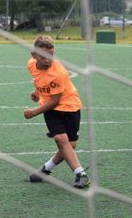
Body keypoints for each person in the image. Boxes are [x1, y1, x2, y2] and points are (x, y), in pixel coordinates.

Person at [24, 35, 90, 189]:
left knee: (69, 146)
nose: (48, 60)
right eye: (44, 56)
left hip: (69, 106)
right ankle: (81, 174)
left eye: (51, 55)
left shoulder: (58, 73)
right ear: (33, 55)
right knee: (61, 140)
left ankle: (45, 169)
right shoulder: (31, 64)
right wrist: (38, 92)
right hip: (51, 109)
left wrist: (34, 112)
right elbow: (39, 79)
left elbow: (56, 100)